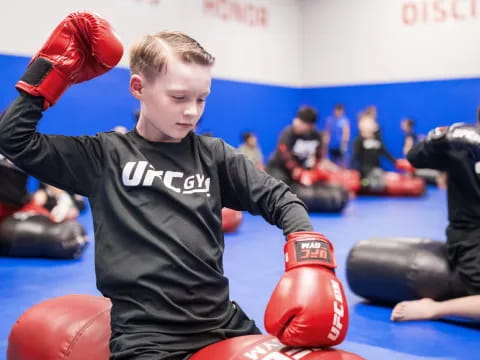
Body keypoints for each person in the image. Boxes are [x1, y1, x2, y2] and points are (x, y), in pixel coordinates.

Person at [0, 12, 348, 359]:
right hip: (147, 339)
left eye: (202, 98)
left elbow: (280, 198)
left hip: (223, 324)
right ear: (138, 87)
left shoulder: (214, 156)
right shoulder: (103, 156)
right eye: (179, 98)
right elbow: (13, 139)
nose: (192, 112)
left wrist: (310, 259)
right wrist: (52, 73)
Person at [390, 122, 480, 322]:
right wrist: (438, 139)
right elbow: (415, 158)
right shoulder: (461, 148)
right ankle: (434, 309)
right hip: (471, 239)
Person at [266, 105, 324, 185]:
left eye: (302, 122)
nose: (296, 123)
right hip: (278, 168)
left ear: (311, 126)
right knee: (281, 184)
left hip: (299, 170)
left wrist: (311, 171)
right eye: (297, 119)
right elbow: (284, 155)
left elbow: (318, 155)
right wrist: (297, 171)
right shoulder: (287, 133)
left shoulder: (316, 136)